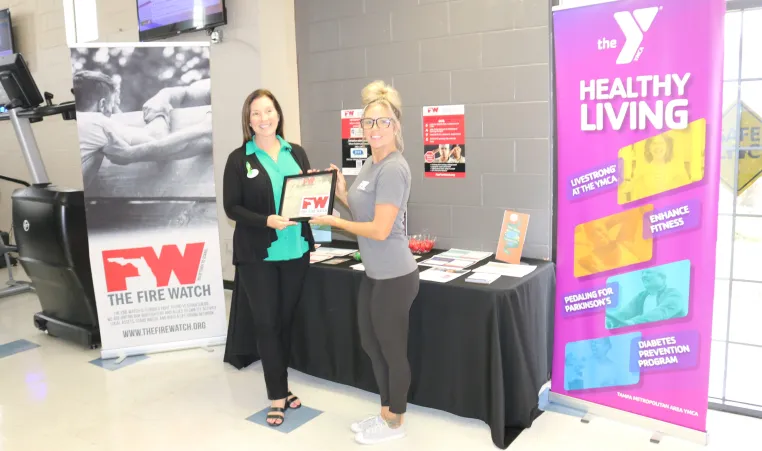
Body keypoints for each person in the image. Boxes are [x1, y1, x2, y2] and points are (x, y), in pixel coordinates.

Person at [310, 80, 420, 445]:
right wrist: (340, 193)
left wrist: (334, 221)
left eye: (382, 122)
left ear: (396, 126)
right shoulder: (370, 165)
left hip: (394, 276)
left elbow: (379, 228)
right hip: (374, 274)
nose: (375, 129)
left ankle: (396, 422)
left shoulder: (393, 168)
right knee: (372, 346)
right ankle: (385, 412)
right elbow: (360, 212)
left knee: (392, 350)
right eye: (368, 123)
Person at [222, 89, 314, 427]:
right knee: (267, 322)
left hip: (296, 250)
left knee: (285, 322)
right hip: (258, 254)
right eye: (256, 113)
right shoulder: (239, 159)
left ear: (278, 114)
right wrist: (266, 221)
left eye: (269, 111)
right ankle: (277, 395)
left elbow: (305, 195)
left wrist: (316, 195)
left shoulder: (297, 153)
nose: (264, 118)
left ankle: (283, 383)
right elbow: (232, 207)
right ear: (248, 120)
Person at [72, 70, 212, 188]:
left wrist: (164, 95)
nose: (114, 116)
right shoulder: (96, 121)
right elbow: (158, 141)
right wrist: (158, 109)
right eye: (112, 107)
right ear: (102, 105)